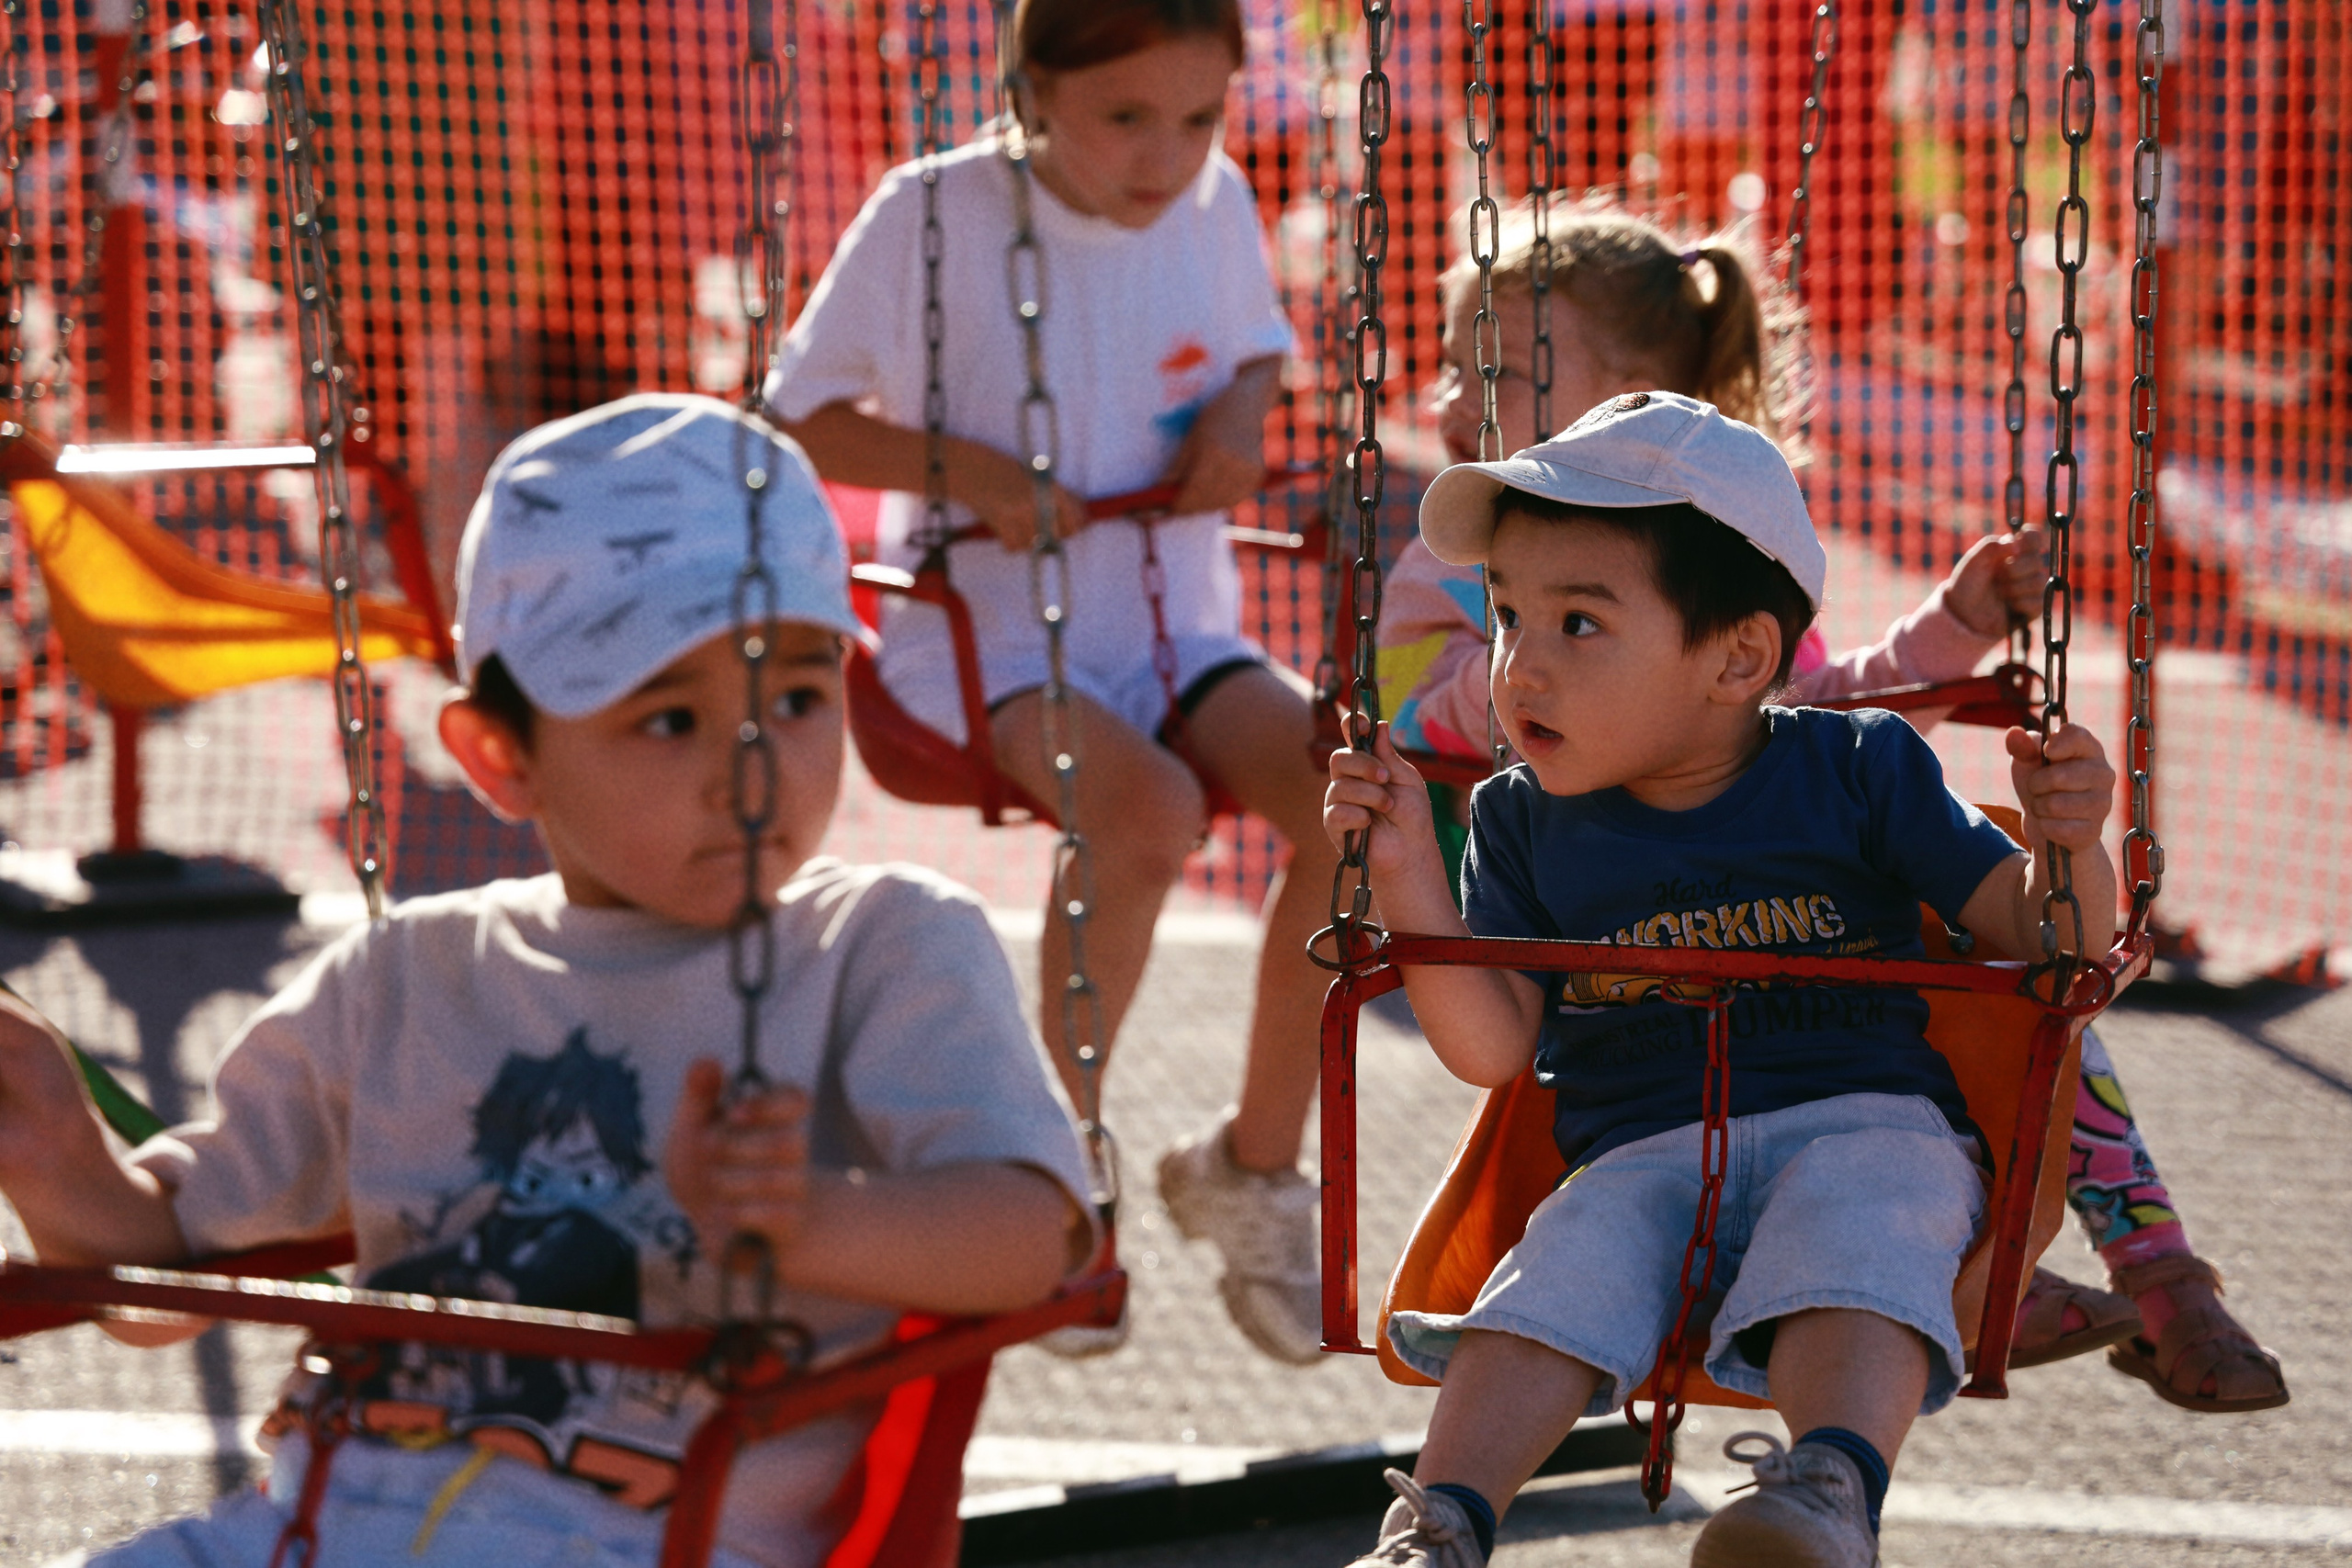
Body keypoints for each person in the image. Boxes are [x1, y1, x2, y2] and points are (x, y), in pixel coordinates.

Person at [0, 394, 1096, 1568]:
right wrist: (63, 1161)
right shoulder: (408, 980)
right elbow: (167, 1284)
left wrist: (815, 1222)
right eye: (671, 719)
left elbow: (1042, 1237)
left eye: (795, 700)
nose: (753, 776)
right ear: (499, 757)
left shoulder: (876, 948)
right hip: (308, 1529)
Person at [1381, 200, 2285, 1414]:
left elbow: (1815, 702)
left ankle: (2133, 1261)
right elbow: (1418, 712)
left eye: (1495, 372)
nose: (1450, 397)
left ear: (1632, 400)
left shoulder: (1690, 572)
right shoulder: (1460, 568)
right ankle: (1921, 1260)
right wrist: (1563, 655)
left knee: (2025, 968)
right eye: (1455, 366)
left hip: (1767, 926)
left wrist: (1954, 629)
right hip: (1573, 897)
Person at [1324, 391, 2124, 1567]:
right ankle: (1436, 1528)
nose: (1519, 668)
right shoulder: (1518, 821)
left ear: (1739, 657)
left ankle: (1824, 1494)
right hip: (1639, 1152)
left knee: (1863, 1247)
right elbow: (1491, 1046)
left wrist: (2069, 847)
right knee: (1542, 1290)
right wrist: (1406, 882)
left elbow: (2036, 932)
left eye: (1578, 625)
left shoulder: (1857, 768)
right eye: (1504, 619)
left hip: (1864, 1123)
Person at [767, 0, 1335, 1363]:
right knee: (1143, 816)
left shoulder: (1216, 198)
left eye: (1199, 119)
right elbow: (800, 412)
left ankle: (1249, 1165)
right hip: (990, 634)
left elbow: (1257, 345)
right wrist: (971, 474)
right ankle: (1052, 1161)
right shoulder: (933, 213)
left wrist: (1246, 415)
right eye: (1125, 119)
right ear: (1029, 92)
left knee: (1354, 802)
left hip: (1174, 623)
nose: (1167, 157)